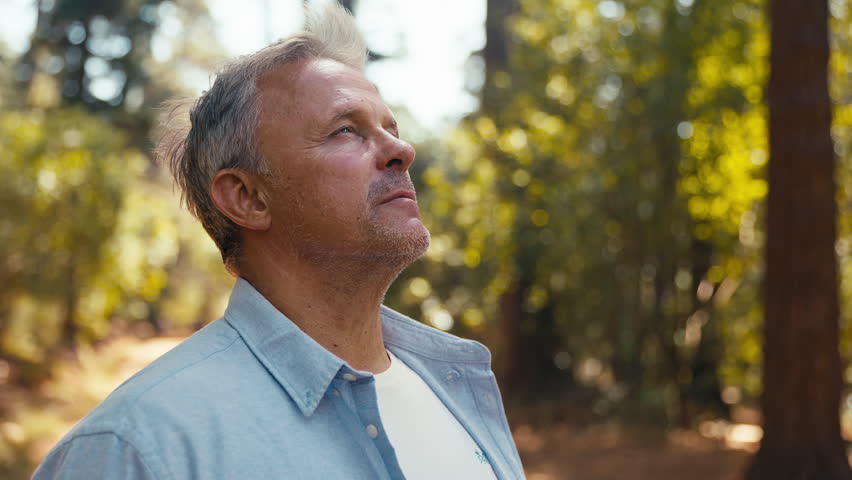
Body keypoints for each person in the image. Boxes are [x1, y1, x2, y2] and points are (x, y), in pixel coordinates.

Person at [33, 4, 523, 479]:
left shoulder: (458, 384)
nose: (402, 150)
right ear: (248, 198)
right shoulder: (136, 448)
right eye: (346, 130)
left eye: (390, 128)